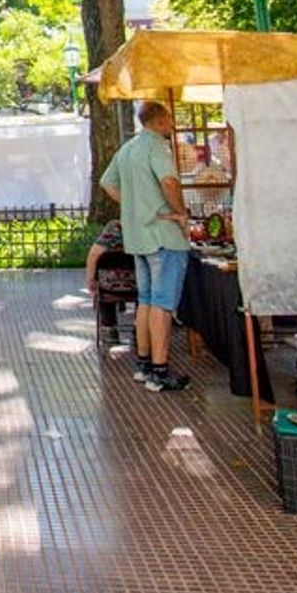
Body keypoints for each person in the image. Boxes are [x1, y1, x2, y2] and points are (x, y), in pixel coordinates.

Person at [101, 101, 191, 392]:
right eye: (169, 119)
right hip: (163, 236)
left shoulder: (127, 149)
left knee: (146, 301)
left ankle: (143, 363)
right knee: (163, 305)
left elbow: (107, 183)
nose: (172, 124)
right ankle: (160, 370)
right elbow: (169, 181)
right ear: (161, 120)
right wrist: (179, 212)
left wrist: (134, 206)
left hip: (138, 238)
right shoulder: (156, 147)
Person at [84, 219, 130, 346]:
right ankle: (140, 325)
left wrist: (90, 280)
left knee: (103, 281)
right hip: (140, 285)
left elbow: (94, 254)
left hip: (110, 286)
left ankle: (109, 327)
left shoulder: (115, 227)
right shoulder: (151, 227)